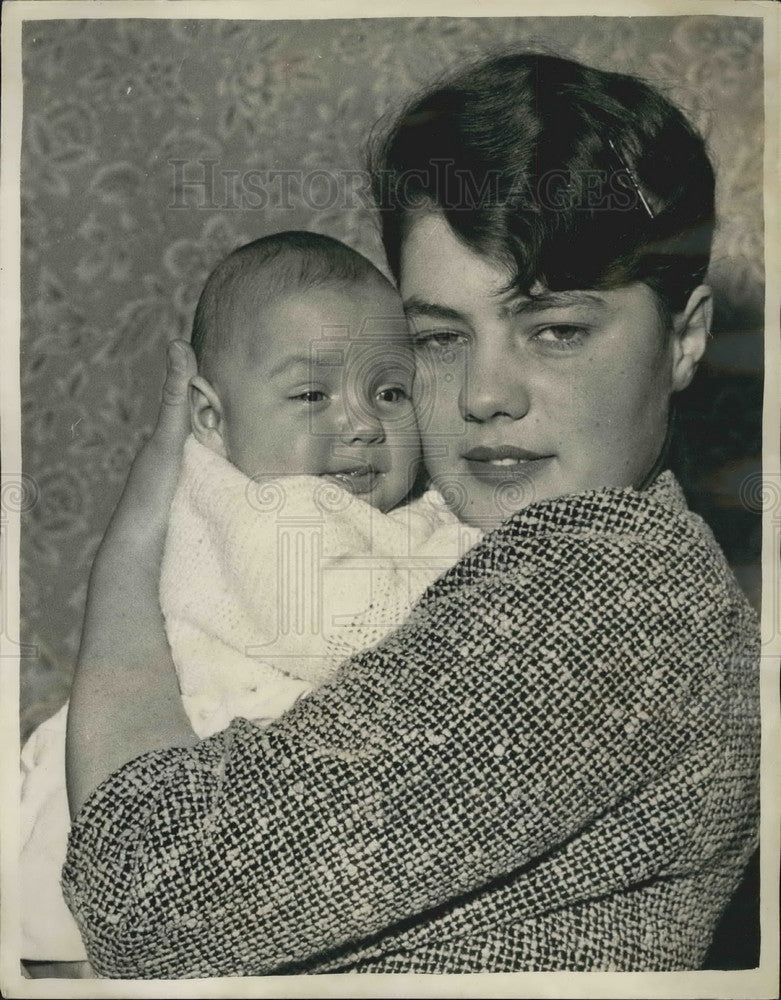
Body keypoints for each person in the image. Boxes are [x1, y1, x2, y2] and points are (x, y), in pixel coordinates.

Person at [60, 52, 760, 976]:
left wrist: (139, 528)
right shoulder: (456, 548)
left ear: (685, 337)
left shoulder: (614, 589)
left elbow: (140, 894)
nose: (483, 395)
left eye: (556, 329)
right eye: (437, 338)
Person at [20, 231, 482, 966]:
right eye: (310, 394)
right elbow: (345, 630)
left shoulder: (396, 505)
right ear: (209, 418)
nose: (361, 423)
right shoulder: (259, 509)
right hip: (159, 788)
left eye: (389, 392)